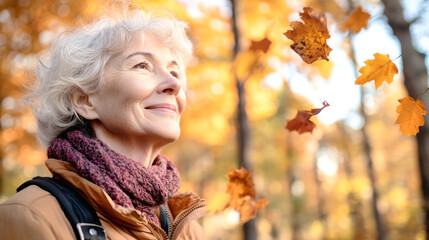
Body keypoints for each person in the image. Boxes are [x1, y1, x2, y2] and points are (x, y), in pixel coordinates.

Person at [0, 6, 206, 240]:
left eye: (175, 72)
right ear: (85, 101)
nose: (174, 84)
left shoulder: (187, 228)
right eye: (142, 66)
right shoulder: (30, 216)